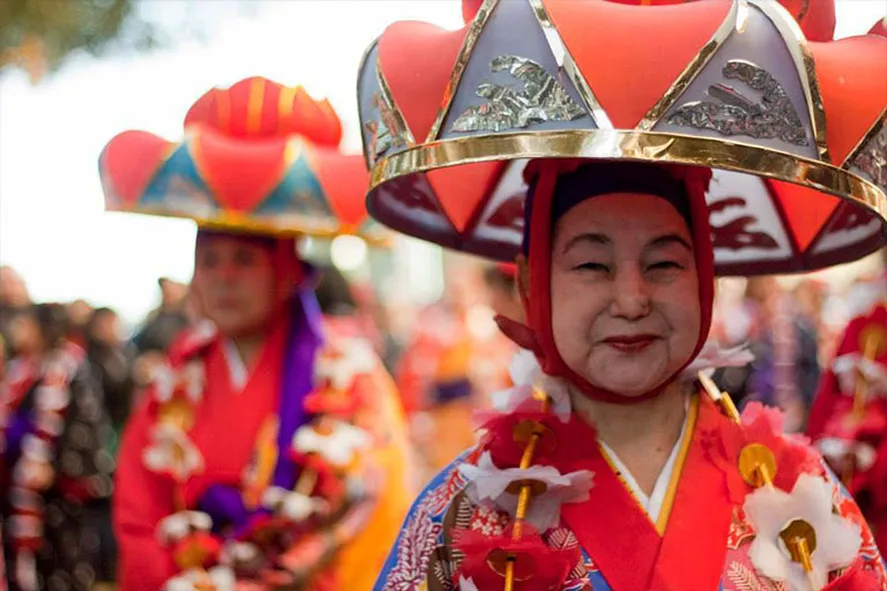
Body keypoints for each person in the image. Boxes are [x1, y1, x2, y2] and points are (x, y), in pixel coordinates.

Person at [356, 0, 887, 587]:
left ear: (705, 281)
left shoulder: (800, 495)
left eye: (664, 263)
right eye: (591, 264)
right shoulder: (463, 512)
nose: (632, 299)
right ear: (534, 284)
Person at [101, 77, 412, 590]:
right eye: (210, 261)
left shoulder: (347, 374)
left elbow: (374, 503)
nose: (223, 278)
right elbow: (139, 511)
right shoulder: (173, 381)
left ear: (287, 272)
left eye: (243, 261)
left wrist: (278, 578)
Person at [1, 304, 114, 591]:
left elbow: (85, 429)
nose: (18, 331)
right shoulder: (22, 370)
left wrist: (53, 469)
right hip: (20, 491)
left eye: (25, 324)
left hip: (59, 494)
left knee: (62, 568)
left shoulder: (70, 369)